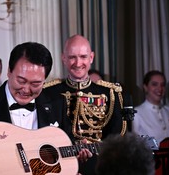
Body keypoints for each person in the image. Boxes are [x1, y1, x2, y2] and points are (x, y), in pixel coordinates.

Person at [0, 42, 92, 165]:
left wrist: (76, 155)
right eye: (21, 81)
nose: (26, 89)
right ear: (9, 71)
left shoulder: (57, 104)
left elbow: (65, 145)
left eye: (35, 84)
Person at [43, 34, 126, 175]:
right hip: (61, 165)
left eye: (83, 57)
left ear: (91, 58)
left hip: (100, 166)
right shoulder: (48, 92)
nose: (77, 62)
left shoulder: (110, 93)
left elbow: (116, 136)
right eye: (72, 57)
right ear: (63, 58)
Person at [132, 70, 169, 145]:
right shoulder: (136, 113)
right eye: (154, 84)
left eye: (162, 85)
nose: (160, 88)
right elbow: (136, 143)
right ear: (145, 87)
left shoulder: (168, 110)